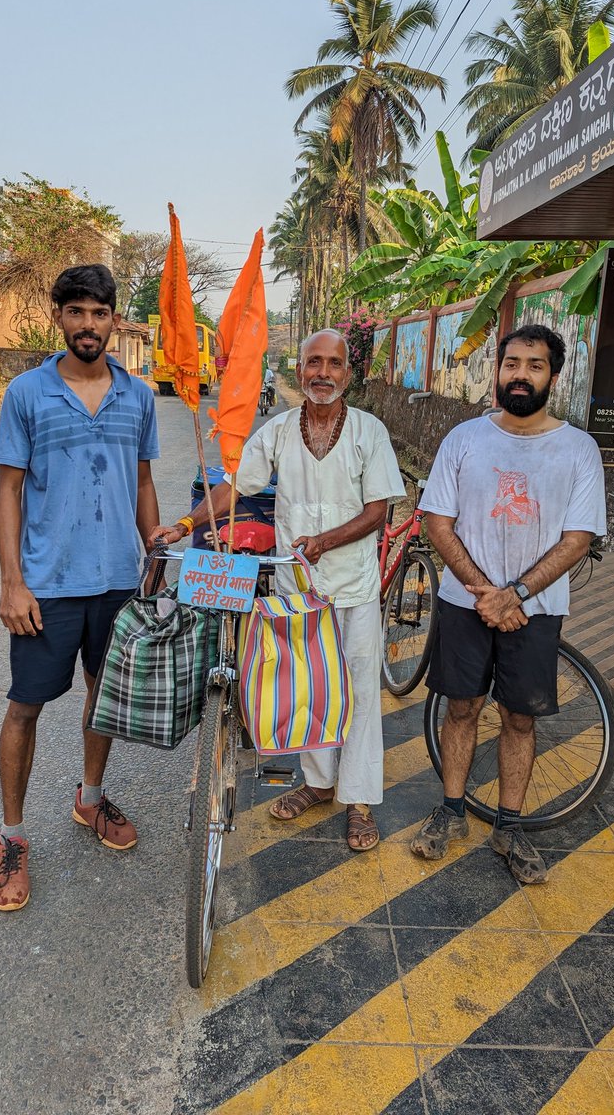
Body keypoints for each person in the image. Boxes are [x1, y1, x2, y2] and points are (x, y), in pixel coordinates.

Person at [149, 329, 404, 851]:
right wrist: (183, 522)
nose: (323, 373)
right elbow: (234, 486)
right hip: (296, 586)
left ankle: (358, 800)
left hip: (352, 586)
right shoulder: (281, 430)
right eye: (314, 362)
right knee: (307, 689)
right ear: (300, 369)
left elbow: (379, 510)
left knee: (355, 692)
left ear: (348, 374)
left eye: (334, 364)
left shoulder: (368, 432)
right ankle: (317, 783)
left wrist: (326, 541)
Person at [0, 264, 161, 911]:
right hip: (49, 585)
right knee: (24, 708)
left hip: (117, 581)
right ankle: (11, 838)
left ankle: (90, 798)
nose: (89, 324)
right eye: (77, 311)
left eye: (101, 312)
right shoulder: (27, 393)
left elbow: (141, 483)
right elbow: (8, 491)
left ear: (115, 319)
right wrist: (13, 583)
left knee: (103, 695)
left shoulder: (138, 396)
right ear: (59, 316)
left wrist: (154, 547)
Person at [410, 324, 606, 884]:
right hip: (464, 603)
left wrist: (514, 594)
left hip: (534, 611)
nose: (521, 374)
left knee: (519, 718)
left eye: (535, 365)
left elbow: (578, 538)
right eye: (512, 362)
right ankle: (450, 811)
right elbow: (437, 523)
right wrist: (485, 593)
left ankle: (510, 826)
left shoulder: (577, 449)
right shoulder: (464, 439)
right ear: (498, 370)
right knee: (462, 707)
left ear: (553, 375)